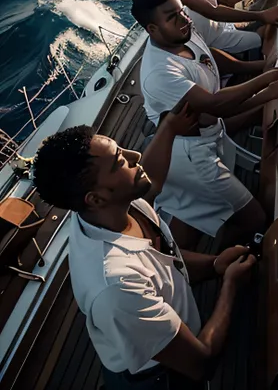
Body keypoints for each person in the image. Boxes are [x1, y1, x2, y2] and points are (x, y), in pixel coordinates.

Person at [32, 111, 257, 390]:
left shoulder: (121, 208)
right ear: (97, 198)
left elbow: (161, 260)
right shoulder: (118, 288)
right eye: (119, 161)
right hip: (163, 377)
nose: (134, 156)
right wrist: (230, 284)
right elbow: (201, 364)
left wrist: (214, 265)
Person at [131, 0, 278, 248]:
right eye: (172, 17)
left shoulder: (180, 33)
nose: (184, 19)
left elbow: (208, 59)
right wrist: (269, 83)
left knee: (200, 207)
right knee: (254, 218)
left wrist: (255, 68)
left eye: (181, 11)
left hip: (211, 135)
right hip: (191, 155)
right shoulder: (160, 73)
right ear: (152, 29)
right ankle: (226, 261)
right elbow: (215, 105)